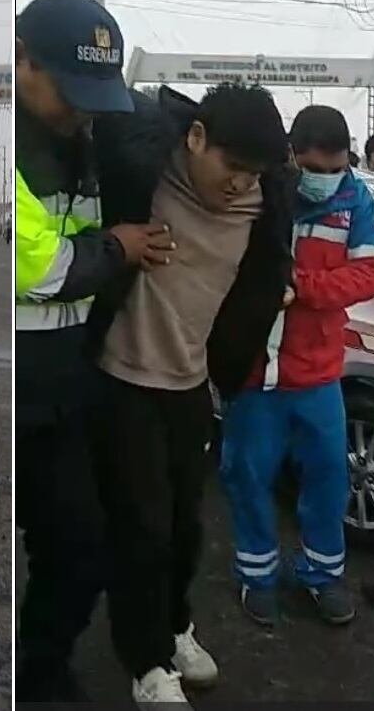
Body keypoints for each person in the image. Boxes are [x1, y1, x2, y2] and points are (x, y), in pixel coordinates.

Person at [86, 82, 295, 706]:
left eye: (252, 173)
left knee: (184, 526)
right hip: (121, 377)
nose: (238, 184)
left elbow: (263, 278)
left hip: (190, 385)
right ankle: (146, 662)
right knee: (142, 527)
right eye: (230, 167)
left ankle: (175, 627)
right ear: (197, 139)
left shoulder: (263, 204)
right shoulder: (141, 169)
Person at [14, 0, 176, 702]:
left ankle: (39, 670)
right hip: (19, 391)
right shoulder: (16, 143)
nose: (82, 109)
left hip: (67, 386)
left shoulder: (80, 135)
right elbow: (40, 267)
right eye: (70, 92)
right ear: (21, 62)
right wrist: (116, 246)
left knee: (79, 546)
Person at [219, 105, 374, 629]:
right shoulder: (257, 193)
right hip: (254, 372)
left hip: (317, 373)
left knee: (330, 478)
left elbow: (368, 275)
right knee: (247, 476)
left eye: (337, 167)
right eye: (317, 168)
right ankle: (258, 575)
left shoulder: (355, 199)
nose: (328, 180)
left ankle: (321, 575)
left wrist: (302, 290)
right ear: (291, 155)